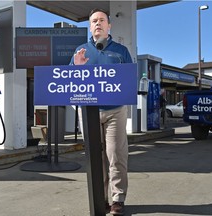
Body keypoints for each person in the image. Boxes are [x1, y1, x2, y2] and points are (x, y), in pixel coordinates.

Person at [69, 8, 133, 215]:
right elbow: (70, 83)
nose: (98, 23)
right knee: (95, 158)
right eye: (94, 21)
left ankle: (118, 199)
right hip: (89, 113)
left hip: (115, 111)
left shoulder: (121, 51)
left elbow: (129, 80)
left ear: (109, 26)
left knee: (115, 154)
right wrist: (77, 68)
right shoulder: (80, 51)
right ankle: (100, 199)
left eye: (102, 20)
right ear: (90, 26)